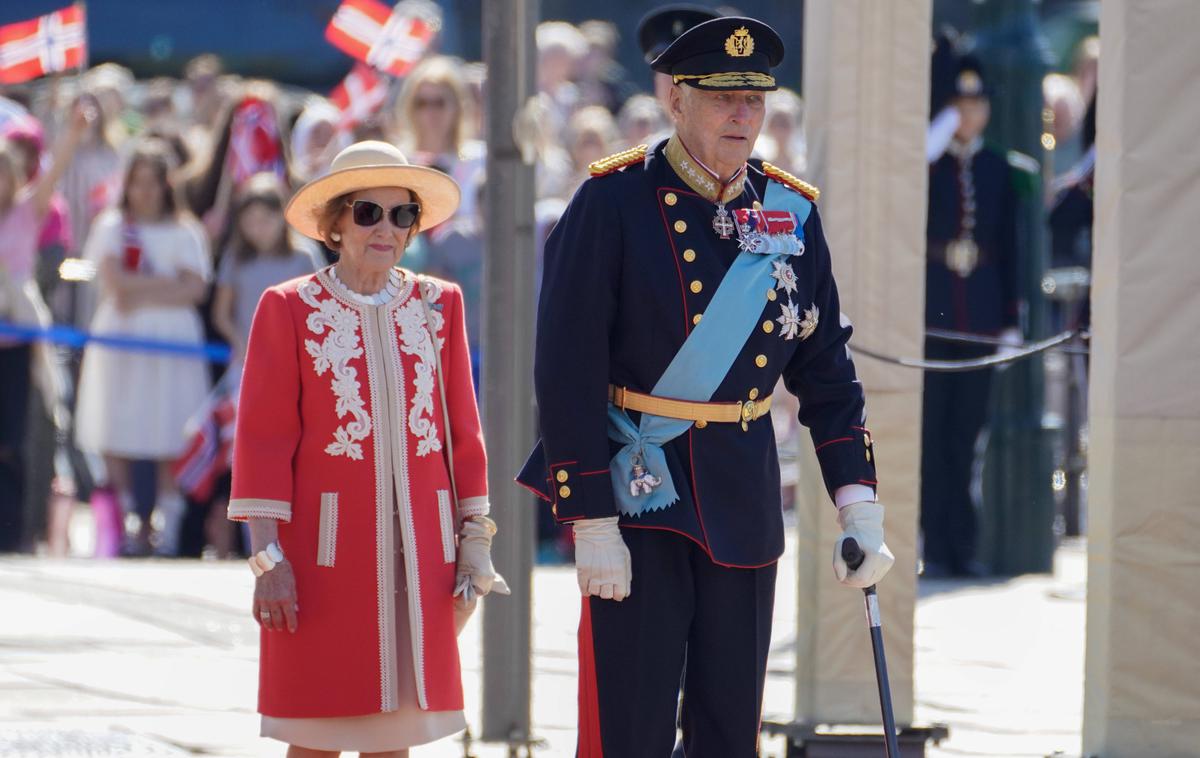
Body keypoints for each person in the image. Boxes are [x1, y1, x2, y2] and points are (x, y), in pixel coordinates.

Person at [517, 17, 894, 756]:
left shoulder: (789, 211)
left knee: (729, 732)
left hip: (741, 490)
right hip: (642, 492)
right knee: (634, 727)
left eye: (755, 99)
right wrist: (589, 516)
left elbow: (825, 368)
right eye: (724, 98)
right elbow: (565, 368)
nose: (743, 116)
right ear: (677, 99)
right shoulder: (613, 202)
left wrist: (858, 500)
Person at [229, 141, 507, 755]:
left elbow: (463, 431)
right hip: (320, 554)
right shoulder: (288, 307)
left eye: (403, 214)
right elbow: (263, 441)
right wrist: (266, 561)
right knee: (315, 732)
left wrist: (475, 541)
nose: (387, 228)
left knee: (396, 734)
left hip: (422, 553)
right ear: (334, 225)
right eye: (367, 213)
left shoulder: (441, 305)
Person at [74, 140, 213, 556]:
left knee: (171, 424)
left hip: (173, 342)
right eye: (138, 183)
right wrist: (167, 282)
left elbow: (195, 288)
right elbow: (115, 285)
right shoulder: (112, 227)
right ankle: (129, 522)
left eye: (154, 183)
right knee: (120, 422)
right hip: (121, 338)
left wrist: (144, 289)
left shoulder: (186, 230)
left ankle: (166, 526)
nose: (146, 192)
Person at [921, 56, 1020, 577]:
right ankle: (935, 545)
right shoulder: (932, 160)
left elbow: (1010, 246)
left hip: (979, 313)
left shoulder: (997, 167)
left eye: (975, 105)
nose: (967, 115)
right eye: (959, 105)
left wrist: (1009, 318)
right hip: (934, 309)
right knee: (932, 435)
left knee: (966, 437)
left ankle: (964, 547)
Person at [0, 102, 90, 552]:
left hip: (18, 340)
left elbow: (53, 175)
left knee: (14, 439)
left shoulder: (24, 212)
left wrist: (71, 133)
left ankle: (14, 530)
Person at [211, 172, 317, 365]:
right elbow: (221, 314)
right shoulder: (234, 258)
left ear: (283, 217)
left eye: (266, 220)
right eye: (250, 222)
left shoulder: (304, 257)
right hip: (247, 361)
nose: (258, 229)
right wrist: (239, 341)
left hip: (294, 359)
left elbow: (316, 309)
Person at [391, 56, 486, 223]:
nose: (431, 112)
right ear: (409, 107)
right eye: (422, 103)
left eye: (439, 103)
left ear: (457, 106)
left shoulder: (479, 159)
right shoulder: (399, 161)